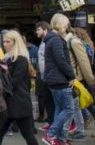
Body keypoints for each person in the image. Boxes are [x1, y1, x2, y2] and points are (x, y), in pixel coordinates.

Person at [0, 30, 39, 145]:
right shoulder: (7, 58)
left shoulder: (21, 59)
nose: (5, 44)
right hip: (10, 102)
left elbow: (14, 81)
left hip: (19, 103)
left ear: (15, 43)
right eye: (4, 42)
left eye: (8, 42)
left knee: (28, 135)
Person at [42, 13, 75, 145]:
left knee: (60, 109)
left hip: (53, 79)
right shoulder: (56, 40)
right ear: (60, 23)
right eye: (66, 24)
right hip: (60, 79)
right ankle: (51, 134)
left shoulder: (50, 39)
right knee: (69, 109)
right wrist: (71, 75)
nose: (67, 27)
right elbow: (61, 60)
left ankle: (60, 140)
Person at [63, 27, 94, 141]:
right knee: (75, 106)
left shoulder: (73, 42)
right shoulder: (69, 41)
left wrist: (90, 80)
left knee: (71, 106)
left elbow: (84, 62)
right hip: (74, 78)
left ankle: (64, 133)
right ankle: (80, 130)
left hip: (74, 79)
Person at [35, 21, 54, 127]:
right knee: (48, 101)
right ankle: (51, 121)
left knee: (51, 102)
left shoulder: (46, 43)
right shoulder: (44, 42)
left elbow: (44, 62)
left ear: (45, 30)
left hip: (47, 77)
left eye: (38, 29)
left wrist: (44, 77)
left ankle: (53, 123)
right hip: (47, 76)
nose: (36, 32)